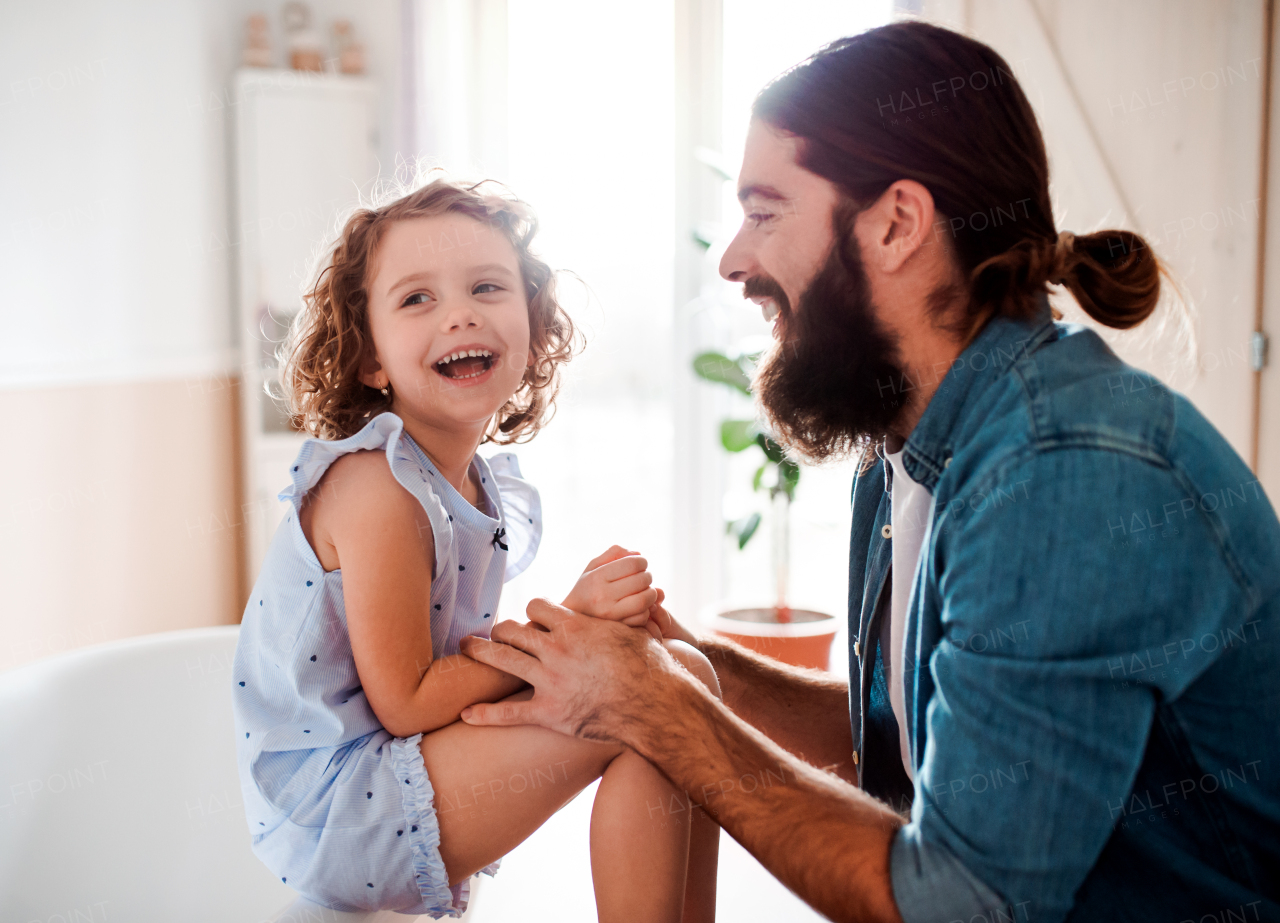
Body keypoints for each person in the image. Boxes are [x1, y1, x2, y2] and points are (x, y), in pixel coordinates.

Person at [457, 21, 1280, 923]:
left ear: (895, 225)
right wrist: (694, 669)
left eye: (765, 212)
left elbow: (961, 905)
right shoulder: (907, 442)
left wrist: (661, 712)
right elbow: (900, 743)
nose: (732, 258)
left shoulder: (1061, 475)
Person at [231, 177, 721, 921]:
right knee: (647, 709)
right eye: (416, 299)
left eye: (487, 286)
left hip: (392, 765)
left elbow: (446, 669)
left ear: (533, 325)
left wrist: (583, 638)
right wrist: (569, 626)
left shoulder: (469, 484)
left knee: (681, 676)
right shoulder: (379, 490)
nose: (459, 312)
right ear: (371, 358)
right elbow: (408, 700)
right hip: (335, 809)